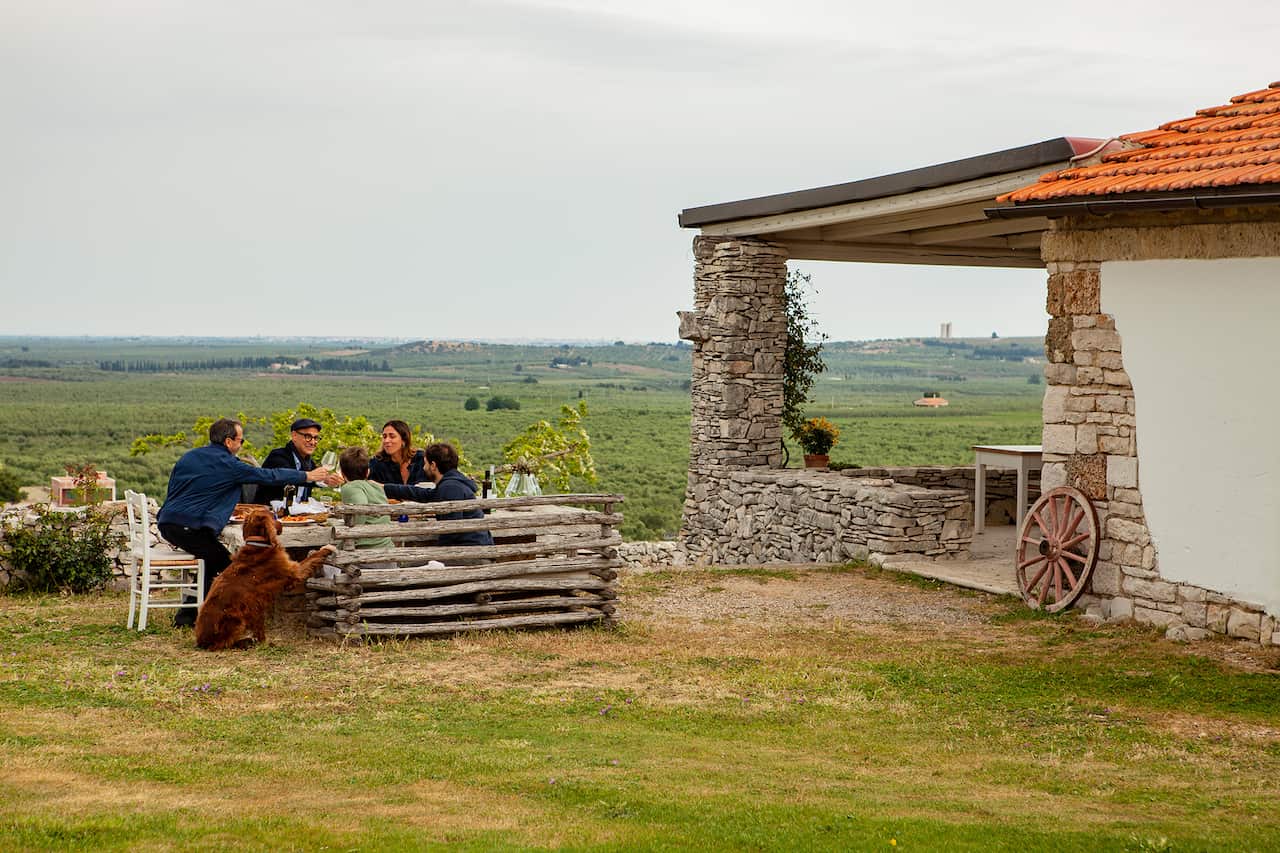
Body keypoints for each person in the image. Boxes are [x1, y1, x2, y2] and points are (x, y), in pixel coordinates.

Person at [156, 418, 334, 627]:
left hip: (169, 521)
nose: (241, 445)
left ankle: (190, 614)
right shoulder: (229, 464)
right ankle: (209, 617)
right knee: (228, 567)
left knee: (211, 560)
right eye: (241, 440)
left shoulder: (191, 456)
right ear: (229, 442)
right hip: (186, 527)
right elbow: (268, 475)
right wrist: (307, 476)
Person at [383, 442, 494, 546]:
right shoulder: (452, 484)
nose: (423, 468)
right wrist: (384, 488)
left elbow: (450, 532)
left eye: (425, 463)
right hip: (470, 550)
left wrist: (435, 558)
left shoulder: (450, 488)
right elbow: (421, 494)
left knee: (410, 565)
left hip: (470, 555)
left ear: (433, 465)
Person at [256, 418, 341, 505]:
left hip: (299, 515)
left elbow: (314, 479)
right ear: (294, 436)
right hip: (270, 513)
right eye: (308, 437)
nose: (313, 442)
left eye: (316, 438)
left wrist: (326, 480)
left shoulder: (308, 461)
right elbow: (289, 477)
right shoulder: (278, 456)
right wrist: (310, 476)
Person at [337, 446, 394, 551]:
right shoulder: (377, 487)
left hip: (364, 555)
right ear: (368, 472)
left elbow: (360, 508)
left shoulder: (349, 487)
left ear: (342, 474)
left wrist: (335, 548)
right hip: (387, 550)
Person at [368, 420, 427, 486]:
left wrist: (385, 487)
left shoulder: (421, 459)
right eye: (384, 437)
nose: (386, 440)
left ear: (404, 440)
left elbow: (424, 490)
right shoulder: (377, 463)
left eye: (392, 436)